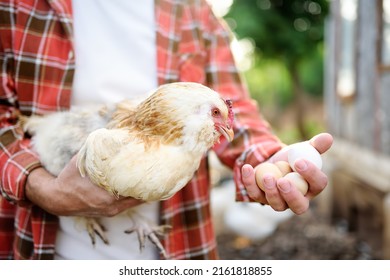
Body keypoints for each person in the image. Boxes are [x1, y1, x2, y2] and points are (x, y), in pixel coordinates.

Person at [0, 0, 333, 260]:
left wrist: (269, 159)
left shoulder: (191, 9)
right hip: (48, 248)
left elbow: (233, 108)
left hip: (175, 248)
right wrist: (42, 188)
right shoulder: (16, 7)